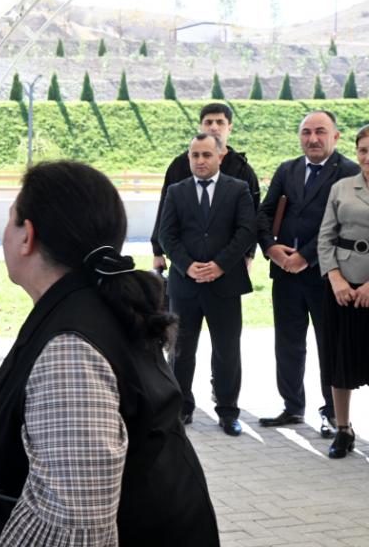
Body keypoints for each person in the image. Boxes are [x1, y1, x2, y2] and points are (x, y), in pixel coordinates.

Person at [0, 161, 219, 546]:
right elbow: (41, 417)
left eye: (10, 221)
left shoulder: (72, 349)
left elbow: (76, 524)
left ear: (27, 235)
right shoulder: (96, 306)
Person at [257, 110, 360, 437]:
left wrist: (306, 256)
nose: (312, 139)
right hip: (285, 274)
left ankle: (333, 413)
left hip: (327, 276)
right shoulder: (287, 169)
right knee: (287, 343)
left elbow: (343, 224)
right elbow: (265, 212)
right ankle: (291, 406)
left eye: (320, 132)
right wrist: (272, 248)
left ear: (335, 136)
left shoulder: (349, 173)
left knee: (328, 345)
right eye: (306, 132)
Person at [159, 133, 256, 436]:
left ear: (219, 157)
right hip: (185, 287)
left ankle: (228, 412)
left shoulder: (238, 189)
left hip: (224, 285)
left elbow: (246, 231)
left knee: (227, 350)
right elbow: (166, 234)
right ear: (189, 158)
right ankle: (181, 408)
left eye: (206, 155)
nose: (200, 161)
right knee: (181, 351)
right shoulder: (176, 191)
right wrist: (188, 266)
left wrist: (219, 265)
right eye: (195, 156)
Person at [151, 102, 260, 273]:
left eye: (220, 122)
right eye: (208, 122)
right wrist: (157, 250)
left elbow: (252, 217)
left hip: (228, 261)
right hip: (185, 258)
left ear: (229, 127)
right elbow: (164, 209)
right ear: (200, 127)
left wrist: (249, 254)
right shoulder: (180, 165)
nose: (214, 127)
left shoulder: (242, 169)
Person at [317, 124, 369, 458]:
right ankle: (344, 429)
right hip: (342, 289)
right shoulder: (341, 187)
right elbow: (326, 236)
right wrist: (335, 278)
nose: (367, 156)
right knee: (339, 361)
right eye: (363, 150)